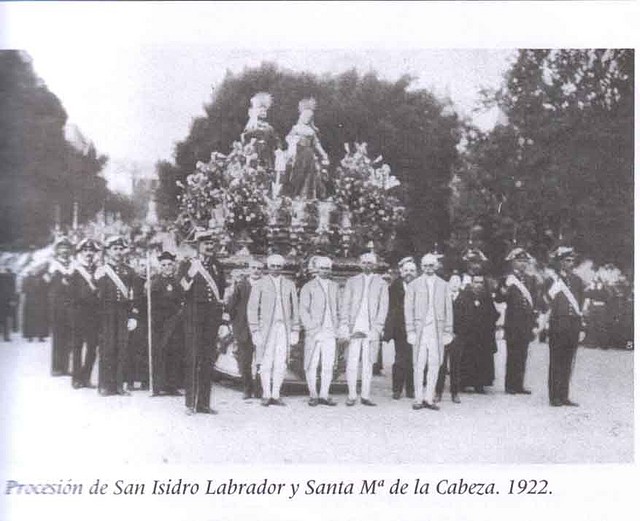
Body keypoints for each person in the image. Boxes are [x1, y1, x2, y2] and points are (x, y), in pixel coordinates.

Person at [179, 230, 226, 414]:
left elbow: (220, 293)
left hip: (211, 317)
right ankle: (190, 403)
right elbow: (181, 287)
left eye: (211, 244)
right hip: (194, 317)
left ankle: (204, 403)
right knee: (193, 358)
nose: (209, 247)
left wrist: (222, 318)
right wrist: (192, 271)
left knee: (207, 359)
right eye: (206, 244)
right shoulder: (188, 264)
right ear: (198, 246)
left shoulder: (217, 266)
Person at [247, 254, 300, 406]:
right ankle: (266, 393)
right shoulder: (260, 284)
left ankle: (276, 394)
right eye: (273, 266)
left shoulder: (289, 284)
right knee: (265, 360)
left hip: (283, 327)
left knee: (281, 361)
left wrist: (295, 329)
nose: (276, 269)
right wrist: (255, 330)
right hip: (266, 329)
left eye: (278, 266)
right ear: (268, 267)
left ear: (282, 267)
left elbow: (295, 309)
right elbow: (252, 309)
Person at [405, 253, 453, 411]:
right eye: (425, 266)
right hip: (420, 330)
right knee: (418, 364)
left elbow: (448, 310)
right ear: (421, 266)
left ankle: (429, 398)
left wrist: (448, 331)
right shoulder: (414, 285)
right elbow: (408, 309)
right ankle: (418, 398)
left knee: (435, 364)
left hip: (437, 330)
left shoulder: (444, 285)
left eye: (431, 265)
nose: (428, 268)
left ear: (437, 266)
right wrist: (410, 330)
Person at [340, 252, 389, 406]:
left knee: (368, 363)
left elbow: (383, 308)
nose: (367, 265)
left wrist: (378, 327)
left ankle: (366, 395)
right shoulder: (352, 282)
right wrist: (345, 325)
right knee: (352, 361)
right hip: (354, 326)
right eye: (365, 262)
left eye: (370, 263)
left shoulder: (381, 283)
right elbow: (345, 304)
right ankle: (352, 394)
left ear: (375, 265)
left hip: (371, 327)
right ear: (360, 264)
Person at [95, 236, 142, 396]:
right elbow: (97, 296)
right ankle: (104, 385)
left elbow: (135, 296)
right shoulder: (102, 271)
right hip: (106, 313)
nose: (118, 252)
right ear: (108, 251)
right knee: (107, 348)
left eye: (120, 248)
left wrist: (133, 315)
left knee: (122, 348)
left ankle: (119, 385)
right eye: (114, 249)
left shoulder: (129, 271)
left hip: (123, 313)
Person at [495, 247, 539, 395]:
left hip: (526, 322)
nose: (522, 264)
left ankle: (519, 384)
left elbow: (534, 302)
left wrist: (534, 323)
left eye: (525, 261)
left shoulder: (530, 280)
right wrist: (505, 288)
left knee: (523, 354)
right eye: (519, 261)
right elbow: (499, 298)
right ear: (513, 262)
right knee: (513, 353)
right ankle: (510, 385)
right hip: (513, 321)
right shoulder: (507, 279)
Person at [299, 256, 340, 406]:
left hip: (330, 331)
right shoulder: (308, 287)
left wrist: (339, 327)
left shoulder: (335, 286)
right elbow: (303, 310)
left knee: (328, 364)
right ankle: (313, 394)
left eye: (327, 268)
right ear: (317, 269)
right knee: (312, 363)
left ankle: (324, 394)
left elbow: (339, 308)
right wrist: (312, 329)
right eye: (322, 268)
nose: (325, 271)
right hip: (315, 332)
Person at [546, 246, 585, 407]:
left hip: (573, 325)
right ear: (560, 262)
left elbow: (580, 304)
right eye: (567, 260)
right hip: (558, 324)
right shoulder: (552, 280)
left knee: (569, 361)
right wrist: (554, 289)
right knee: (557, 360)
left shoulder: (577, 280)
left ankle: (564, 395)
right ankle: (554, 396)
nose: (570, 263)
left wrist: (582, 326)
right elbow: (546, 300)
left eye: (572, 261)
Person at [227, 258, 264, 400]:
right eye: (253, 268)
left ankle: (259, 389)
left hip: (261, 328)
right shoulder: (242, 285)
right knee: (246, 360)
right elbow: (231, 305)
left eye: (259, 269)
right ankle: (247, 388)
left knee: (261, 361)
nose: (256, 271)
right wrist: (236, 322)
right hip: (244, 328)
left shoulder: (266, 285)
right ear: (249, 269)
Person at [150, 251, 184, 396]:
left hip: (175, 322)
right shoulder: (155, 281)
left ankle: (171, 385)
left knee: (174, 353)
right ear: (160, 266)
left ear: (174, 265)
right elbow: (150, 303)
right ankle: (157, 386)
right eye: (164, 265)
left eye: (170, 264)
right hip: (159, 322)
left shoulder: (178, 282)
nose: (167, 267)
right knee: (159, 353)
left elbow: (182, 299)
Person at [457, 275, 499, 394]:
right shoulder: (464, 296)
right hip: (467, 335)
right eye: (476, 282)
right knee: (466, 358)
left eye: (481, 282)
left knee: (482, 359)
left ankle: (479, 384)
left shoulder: (487, 297)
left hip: (482, 335)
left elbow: (493, 314)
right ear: (471, 283)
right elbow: (458, 313)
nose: (478, 285)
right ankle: (463, 383)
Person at [383, 257, 417, 400]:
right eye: (406, 270)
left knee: (414, 359)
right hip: (400, 329)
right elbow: (389, 309)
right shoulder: (394, 287)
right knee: (400, 359)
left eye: (412, 270)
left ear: (416, 272)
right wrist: (388, 330)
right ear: (401, 272)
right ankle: (397, 389)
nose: (408, 273)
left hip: (416, 328)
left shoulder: (420, 286)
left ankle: (411, 389)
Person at [69, 238, 101, 389]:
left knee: (92, 347)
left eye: (91, 251)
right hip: (78, 313)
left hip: (94, 314)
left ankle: (86, 377)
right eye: (85, 251)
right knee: (77, 347)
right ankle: (76, 379)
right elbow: (70, 295)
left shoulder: (98, 270)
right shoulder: (75, 271)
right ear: (81, 253)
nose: (89, 253)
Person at [285, 97, 330, 200]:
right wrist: (292, 141)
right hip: (298, 153)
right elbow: (288, 137)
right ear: (301, 116)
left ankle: (306, 195)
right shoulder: (295, 128)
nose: (307, 118)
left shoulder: (311, 130)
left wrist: (323, 154)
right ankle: (294, 193)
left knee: (310, 174)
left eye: (309, 117)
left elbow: (316, 143)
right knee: (298, 172)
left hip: (309, 153)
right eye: (305, 116)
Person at [46, 236, 75, 376]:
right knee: (58, 336)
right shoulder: (53, 265)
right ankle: (56, 367)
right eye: (62, 248)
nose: (64, 251)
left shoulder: (73, 264)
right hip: (58, 306)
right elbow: (49, 285)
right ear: (57, 250)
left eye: (67, 248)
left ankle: (66, 366)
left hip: (71, 305)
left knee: (70, 336)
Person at [434, 272, 465, 403]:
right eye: (452, 282)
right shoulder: (442, 297)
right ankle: (438, 392)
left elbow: (467, 318)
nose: (454, 285)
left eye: (457, 282)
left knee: (455, 366)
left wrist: (458, 333)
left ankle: (455, 393)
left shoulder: (465, 298)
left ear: (461, 284)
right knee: (441, 365)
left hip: (457, 337)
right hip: (443, 335)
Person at [241, 92, 281, 170]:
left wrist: (278, 148)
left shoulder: (269, 127)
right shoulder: (252, 125)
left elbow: (276, 138)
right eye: (261, 111)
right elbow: (245, 136)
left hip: (266, 151)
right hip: (255, 150)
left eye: (265, 111)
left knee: (266, 168)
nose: (263, 113)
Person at [21, 266, 49, 342]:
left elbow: (47, 288)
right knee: (31, 319)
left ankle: (41, 336)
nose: (35, 271)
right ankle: (30, 336)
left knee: (41, 319)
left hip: (40, 302)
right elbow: (24, 289)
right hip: (31, 302)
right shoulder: (27, 278)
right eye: (33, 270)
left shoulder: (42, 278)